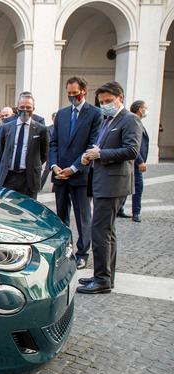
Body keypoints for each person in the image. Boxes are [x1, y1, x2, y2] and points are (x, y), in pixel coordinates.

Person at [77, 81, 140, 294]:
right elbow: (102, 146)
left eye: (108, 101)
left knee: (100, 231)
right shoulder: (108, 119)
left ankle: (102, 279)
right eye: (102, 102)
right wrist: (90, 155)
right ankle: (105, 275)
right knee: (108, 232)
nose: (105, 105)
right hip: (103, 180)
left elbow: (132, 150)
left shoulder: (129, 119)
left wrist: (101, 154)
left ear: (120, 98)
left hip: (113, 183)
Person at [49, 76, 103, 269]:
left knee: (82, 218)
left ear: (84, 91)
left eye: (75, 93)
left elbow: (92, 145)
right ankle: (65, 250)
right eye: (69, 94)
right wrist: (54, 165)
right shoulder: (62, 114)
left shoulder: (95, 114)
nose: (72, 97)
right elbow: (54, 143)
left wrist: (73, 168)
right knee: (61, 216)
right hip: (60, 175)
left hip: (80, 175)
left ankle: (82, 253)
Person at [0, 94, 48, 199]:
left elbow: (44, 154)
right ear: (17, 109)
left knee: (28, 208)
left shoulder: (41, 129)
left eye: (28, 107)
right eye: (22, 107)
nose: (25, 110)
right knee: (6, 206)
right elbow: (1, 150)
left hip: (29, 178)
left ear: (33, 109)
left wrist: (33, 164)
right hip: (9, 177)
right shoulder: (6, 127)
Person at [129, 100, 149, 222]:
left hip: (135, 160)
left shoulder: (137, 121)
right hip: (135, 161)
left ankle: (120, 209)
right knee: (138, 186)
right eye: (145, 108)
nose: (146, 110)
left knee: (129, 185)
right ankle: (136, 213)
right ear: (140, 109)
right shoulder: (134, 122)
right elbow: (133, 145)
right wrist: (140, 161)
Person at [40, 112, 57, 189]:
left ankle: (55, 188)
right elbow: (47, 140)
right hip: (50, 151)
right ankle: (40, 186)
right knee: (47, 170)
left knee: (57, 170)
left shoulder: (63, 128)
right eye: (55, 117)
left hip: (60, 152)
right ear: (52, 118)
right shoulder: (48, 128)